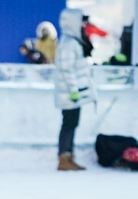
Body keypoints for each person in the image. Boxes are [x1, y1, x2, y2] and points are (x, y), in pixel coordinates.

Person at [54, 7, 95, 171]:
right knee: (69, 124)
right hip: (69, 94)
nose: (85, 24)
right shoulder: (68, 43)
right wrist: (73, 90)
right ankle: (64, 157)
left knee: (72, 123)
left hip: (73, 93)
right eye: (82, 21)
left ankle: (69, 155)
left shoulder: (73, 41)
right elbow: (67, 69)